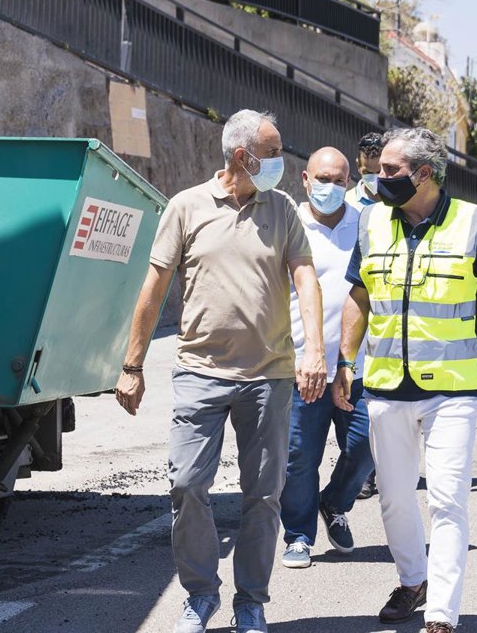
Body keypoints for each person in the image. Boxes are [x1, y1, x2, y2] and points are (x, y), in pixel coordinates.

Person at [114, 110, 327, 633]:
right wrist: (132, 364)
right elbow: (154, 287)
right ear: (243, 156)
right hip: (199, 372)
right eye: (272, 153)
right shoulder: (186, 206)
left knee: (263, 495)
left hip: (268, 376)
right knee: (187, 484)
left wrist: (314, 351)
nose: (280, 162)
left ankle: (250, 600)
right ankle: (200, 594)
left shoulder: (282, 209)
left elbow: (305, 277)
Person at [335, 128, 477, 633]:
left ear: (423, 174)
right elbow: (359, 295)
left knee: (446, 499)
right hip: (385, 386)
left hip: (451, 391)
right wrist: (345, 361)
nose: (378, 176)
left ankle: (441, 612)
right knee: (394, 498)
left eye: (390, 170)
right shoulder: (371, 221)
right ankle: (412, 581)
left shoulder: (473, 223)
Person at [279, 147, 376, 569]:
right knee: (300, 456)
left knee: (369, 443)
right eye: (322, 179)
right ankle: (299, 535)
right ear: (305, 179)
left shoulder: (367, 224)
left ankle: (335, 502)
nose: (330, 187)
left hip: (357, 365)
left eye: (338, 180)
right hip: (304, 365)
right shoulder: (289, 225)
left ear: (349, 182)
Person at [344, 131, 384, 500]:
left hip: (387, 306)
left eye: (378, 170)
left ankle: (378, 464)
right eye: (366, 171)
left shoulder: (399, 202)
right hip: (356, 301)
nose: (372, 177)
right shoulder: (346, 204)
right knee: (358, 392)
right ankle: (364, 472)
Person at [344, 131, 384, 210]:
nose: (374, 178)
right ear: (358, 165)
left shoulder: (400, 202)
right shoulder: (346, 203)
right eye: (368, 172)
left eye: (379, 172)